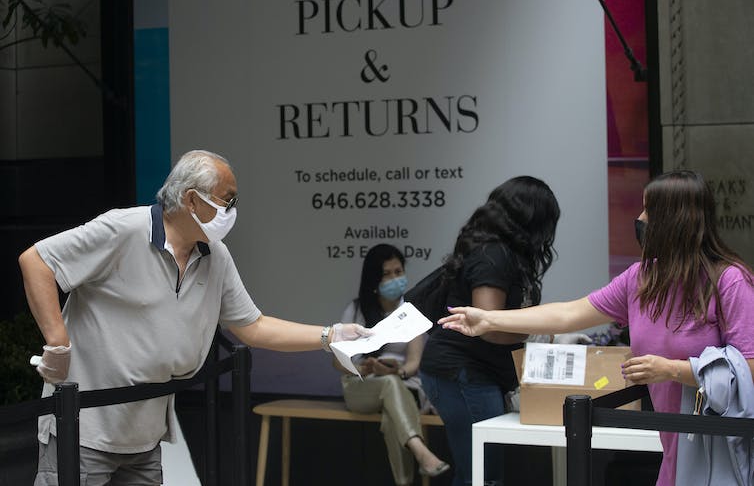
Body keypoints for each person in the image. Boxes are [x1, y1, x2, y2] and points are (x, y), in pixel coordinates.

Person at [18, 150, 370, 486]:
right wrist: (58, 341)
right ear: (191, 200)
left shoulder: (216, 255)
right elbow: (36, 261)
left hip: (144, 434)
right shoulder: (123, 229)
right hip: (85, 427)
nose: (232, 211)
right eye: (226, 200)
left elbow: (253, 326)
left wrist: (331, 335)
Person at [438, 170, 754, 486]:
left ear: (676, 220)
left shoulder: (729, 281)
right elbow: (569, 314)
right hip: (674, 452)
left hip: (721, 449)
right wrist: (489, 320)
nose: (640, 218)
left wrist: (672, 370)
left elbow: (749, 368)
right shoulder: (641, 278)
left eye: (649, 210)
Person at [418, 176, 563, 486]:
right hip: (461, 371)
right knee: (482, 475)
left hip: (471, 372)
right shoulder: (492, 256)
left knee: (481, 471)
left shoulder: (499, 253)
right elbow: (487, 325)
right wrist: (533, 332)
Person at [334, 244, 450, 485]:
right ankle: (420, 450)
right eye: (388, 274)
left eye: (399, 272)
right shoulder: (356, 310)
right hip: (361, 387)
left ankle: (405, 479)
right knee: (388, 384)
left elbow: (414, 364)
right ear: (374, 280)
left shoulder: (410, 313)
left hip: (404, 384)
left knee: (391, 401)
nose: (395, 278)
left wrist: (396, 370)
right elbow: (337, 362)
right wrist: (363, 368)